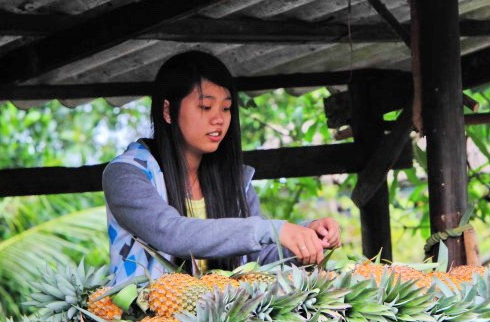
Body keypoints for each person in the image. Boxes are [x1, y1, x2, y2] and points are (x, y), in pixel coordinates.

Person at [103, 50, 341, 285]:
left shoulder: (235, 181)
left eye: (226, 108)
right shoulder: (126, 174)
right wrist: (273, 230)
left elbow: (258, 259)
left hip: (226, 309)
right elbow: (171, 232)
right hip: (147, 311)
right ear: (168, 111)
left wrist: (307, 238)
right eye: (206, 107)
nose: (219, 119)